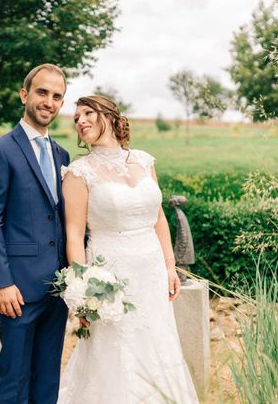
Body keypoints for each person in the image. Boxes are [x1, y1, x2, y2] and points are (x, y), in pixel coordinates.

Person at [57, 95, 199, 403]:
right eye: (76, 117)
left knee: (157, 342)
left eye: (87, 113)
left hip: (150, 271)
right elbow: (74, 234)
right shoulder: (78, 173)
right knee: (114, 351)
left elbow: (158, 216)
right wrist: (83, 292)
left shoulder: (145, 161)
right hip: (110, 273)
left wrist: (169, 266)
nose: (80, 121)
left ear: (108, 115)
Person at [0, 64, 71, 404]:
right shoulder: (0, 151)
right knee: (14, 382)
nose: (49, 102)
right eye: (42, 92)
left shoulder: (62, 154)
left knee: (47, 380)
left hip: (57, 290)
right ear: (24, 95)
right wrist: (2, 283)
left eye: (57, 96)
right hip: (17, 290)